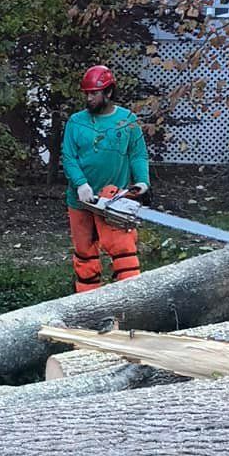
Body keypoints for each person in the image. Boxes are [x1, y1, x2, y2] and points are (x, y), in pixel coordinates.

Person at [60, 65, 151, 294]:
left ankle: (133, 299)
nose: (89, 98)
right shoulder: (76, 122)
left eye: (94, 93)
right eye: (87, 93)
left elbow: (137, 154)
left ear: (108, 92)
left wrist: (142, 181)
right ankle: (87, 300)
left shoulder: (127, 121)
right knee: (84, 253)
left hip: (113, 199)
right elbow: (69, 157)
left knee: (124, 253)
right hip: (80, 199)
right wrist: (80, 183)